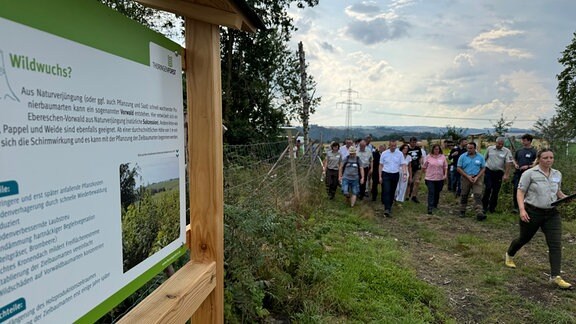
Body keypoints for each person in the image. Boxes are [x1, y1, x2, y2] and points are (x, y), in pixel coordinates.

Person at [505, 149, 572, 289]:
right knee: (524, 238)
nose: (549, 160)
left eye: (551, 158)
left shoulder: (557, 174)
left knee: (555, 244)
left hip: (552, 213)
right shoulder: (529, 173)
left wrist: (564, 198)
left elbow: (557, 191)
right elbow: (521, 191)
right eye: (546, 158)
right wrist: (522, 210)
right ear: (539, 159)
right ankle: (510, 254)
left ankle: (555, 276)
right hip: (532, 212)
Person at [482, 137, 513, 213]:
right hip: (488, 171)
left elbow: (508, 163)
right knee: (488, 188)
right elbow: (484, 159)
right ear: (496, 142)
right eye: (499, 143)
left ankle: (492, 208)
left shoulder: (507, 151)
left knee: (495, 191)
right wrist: (482, 170)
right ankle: (484, 206)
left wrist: (506, 174)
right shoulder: (490, 149)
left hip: (499, 172)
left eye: (502, 144)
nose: (500, 145)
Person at [457, 142, 486, 220]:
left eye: (471, 148)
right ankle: (462, 210)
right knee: (464, 194)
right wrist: (467, 176)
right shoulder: (462, 157)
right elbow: (459, 168)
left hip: (477, 177)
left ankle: (479, 212)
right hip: (466, 177)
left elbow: (483, 168)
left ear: (474, 148)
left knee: (478, 195)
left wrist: (477, 177)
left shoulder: (480, 157)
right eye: (468, 148)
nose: (469, 150)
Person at [512, 134, 537, 213]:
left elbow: (536, 163)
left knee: (527, 191)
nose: (522, 142)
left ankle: (526, 207)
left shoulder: (534, 152)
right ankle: (516, 207)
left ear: (529, 141)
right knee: (516, 189)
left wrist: (528, 166)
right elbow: (514, 159)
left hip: (529, 174)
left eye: (524, 140)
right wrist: (515, 164)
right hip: (518, 174)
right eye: (522, 140)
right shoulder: (519, 151)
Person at [379, 139, 403, 216]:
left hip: (395, 174)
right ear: (389, 145)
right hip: (386, 173)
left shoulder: (400, 154)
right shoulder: (384, 153)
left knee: (392, 191)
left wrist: (405, 174)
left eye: (394, 146)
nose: (393, 147)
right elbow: (381, 165)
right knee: (386, 190)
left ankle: (390, 205)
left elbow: (403, 164)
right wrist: (380, 176)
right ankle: (387, 208)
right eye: (392, 146)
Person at [422, 144, 448, 214]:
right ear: (433, 149)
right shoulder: (428, 157)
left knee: (437, 192)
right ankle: (430, 207)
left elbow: (445, 167)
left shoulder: (442, 157)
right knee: (431, 192)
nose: (437, 150)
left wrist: (445, 175)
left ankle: (435, 205)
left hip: (440, 178)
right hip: (430, 178)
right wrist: (426, 173)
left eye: (438, 149)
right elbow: (424, 167)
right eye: (435, 149)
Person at [407, 137, 423, 203]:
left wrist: (420, 162)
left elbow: (420, 156)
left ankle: (414, 196)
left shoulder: (418, 149)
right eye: (412, 142)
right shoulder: (407, 149)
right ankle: (407, 195)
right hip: (409, 167)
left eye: (415, 142)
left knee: (417, 182)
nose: (414, 143)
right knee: (409, 182)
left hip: (417, 168)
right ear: (410, 142)